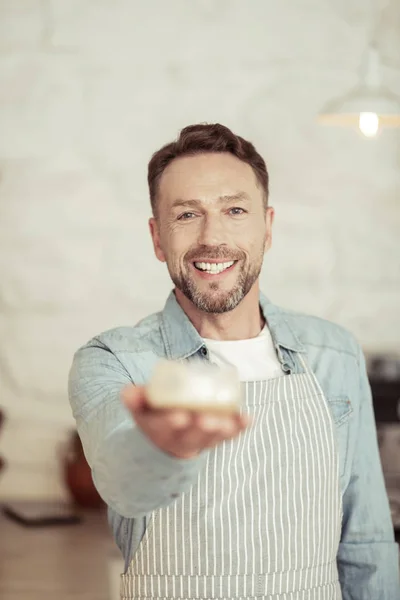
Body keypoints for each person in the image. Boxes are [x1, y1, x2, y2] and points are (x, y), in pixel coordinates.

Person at [68, 123, 400, 599]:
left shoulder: (334, 354)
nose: (212, 236)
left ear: (267, 228)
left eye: (235, 210)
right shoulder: (115, 360)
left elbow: (365, 544)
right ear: (158, 238)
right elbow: (125, 484)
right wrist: (164, 447)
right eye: (186, 215)